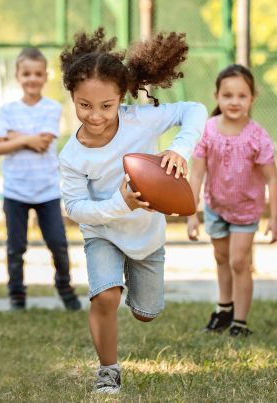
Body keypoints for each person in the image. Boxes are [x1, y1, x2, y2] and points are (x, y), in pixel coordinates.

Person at [58, 28, 207, 394]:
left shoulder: (141, 120)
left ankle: (136, 290)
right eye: (84, 105)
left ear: (121, 97)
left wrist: (179, 151)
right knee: (105, 296)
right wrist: (119, 204)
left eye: (106, 106)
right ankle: (108, 370)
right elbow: (76, 208)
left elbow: (195, 110)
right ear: (72, 98)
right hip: (103, 232)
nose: (95, 115)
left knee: (146, 313)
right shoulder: (71, 156)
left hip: (146, 235)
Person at [187, 64, 277, 337]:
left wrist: (275, 219)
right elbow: (196, 175)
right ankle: (224, 309)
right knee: (221, 257)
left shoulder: (257, 136)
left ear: (252, 98)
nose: (234, 102)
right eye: (228, 95)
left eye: (242, 96)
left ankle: (240, 322)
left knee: (239, 261)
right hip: (216, 207)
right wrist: (191, 213)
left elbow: (272, 180)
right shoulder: (207, 130)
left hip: (246, 211)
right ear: (216, 96)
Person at [0, 47, 81, 311]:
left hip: (47, 191)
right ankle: (17, 296)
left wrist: (14, 137)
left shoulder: (52, 108)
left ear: (45, 76)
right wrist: (26, 139)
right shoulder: (7, 110)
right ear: (18, 76)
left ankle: (65, 289)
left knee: (58, 245)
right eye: (26, 73)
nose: (32, 79)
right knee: (15, 248)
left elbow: (43, 143)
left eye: (37, 74)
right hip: (15, 191)